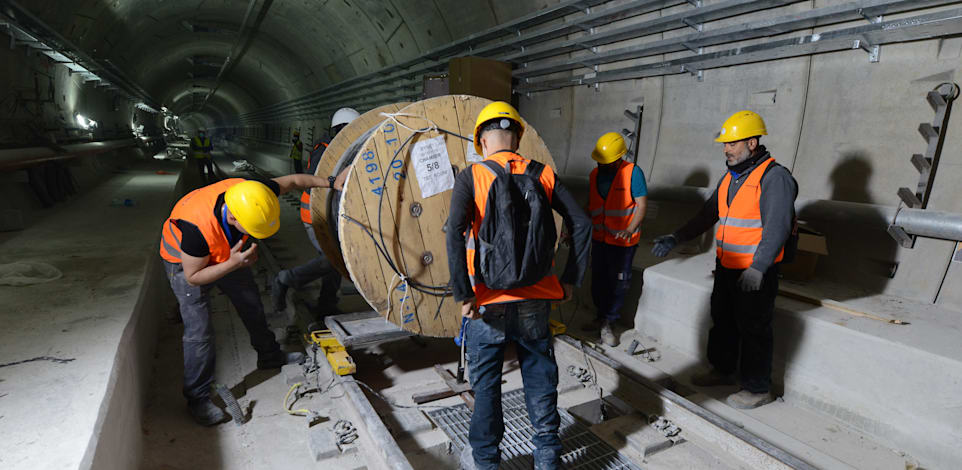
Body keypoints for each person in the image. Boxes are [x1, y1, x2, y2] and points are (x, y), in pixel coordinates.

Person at [447, 102, 591, 470]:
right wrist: (570, 279)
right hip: (536, 296)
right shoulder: (543, 174)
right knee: (540, 375)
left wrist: (464, 294)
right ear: (519, 136)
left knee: (487, 388)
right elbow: (582, 223)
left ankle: (486, 461)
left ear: (481, 139)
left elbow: (453, 234)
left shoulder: (472, 176)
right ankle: (546, 457)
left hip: (486, 302)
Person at [158, 173, 341, 426]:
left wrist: (332, 181)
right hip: (185, 263)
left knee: (251, 304)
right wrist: (233, 263)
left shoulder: (255, 194)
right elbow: (194, 276)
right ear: (232, 217)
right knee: (199, 330)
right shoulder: (195, 229)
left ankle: (269, 356)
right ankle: (197, 397)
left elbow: (296, 181)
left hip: (227, 253)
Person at [651, 110, 797, 409]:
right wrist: (676, 237)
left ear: (753, 143)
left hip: (756, 272)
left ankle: (757, 388)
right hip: (727, 267)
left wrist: (758, 268)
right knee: (724, 321)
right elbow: (708, 214)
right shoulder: (732, 177)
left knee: (754, 328)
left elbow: (778, 227)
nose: (726, 149)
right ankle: (722, 370)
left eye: (732, 143)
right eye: (725, 144)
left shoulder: (774, 177)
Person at [273, 107, 360, 322]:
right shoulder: (325, 150)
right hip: (315, 215)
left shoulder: (339, 147)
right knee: (333, 259)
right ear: (341, 130)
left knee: (333, 261)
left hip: (329, 214)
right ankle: (287, 278)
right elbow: (319, 182)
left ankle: (326, 306)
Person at [584, 132, 647, 347]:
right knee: (599, 280)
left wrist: (630, 229)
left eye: (606, 162)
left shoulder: (633, 173)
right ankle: (600, 317)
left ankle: (609, 323)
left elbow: (641, 205)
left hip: (622, 242)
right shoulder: (594, 175)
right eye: (599, 161)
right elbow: (591, 204)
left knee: (617, 283)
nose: (601, 165)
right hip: (600, 238)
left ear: (619, 158)